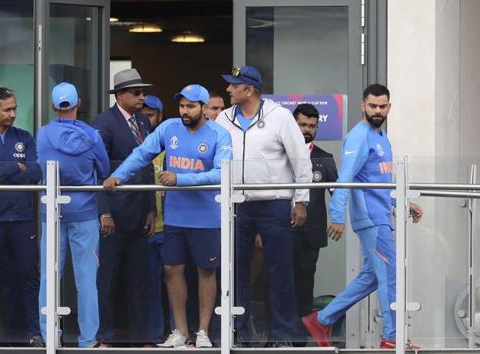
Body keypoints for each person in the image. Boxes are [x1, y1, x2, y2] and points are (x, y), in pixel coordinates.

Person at [104, 84, 232, 348]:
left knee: (206, 272)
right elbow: (141, 154)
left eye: (191, 106)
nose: (184, 111)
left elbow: (221, 174)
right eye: (182, 106)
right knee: (172, 270)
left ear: (205, 109)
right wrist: (119, 175)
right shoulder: (168, 128)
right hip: (175, 216)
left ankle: (204, 332)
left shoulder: (220, 134)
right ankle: (180, 331)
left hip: (207, 217)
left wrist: (179, 179)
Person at [301, 84, 424, 349]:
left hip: (381, 215)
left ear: (389, 107)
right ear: (362, 106)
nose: (377, 111)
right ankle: (391, 338)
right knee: (390, 275)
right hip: (371, 219)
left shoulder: (382, 137)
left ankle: (322, 319)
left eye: (382, 106)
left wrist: (402, 202)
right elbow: (345, 179)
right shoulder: (359, 136)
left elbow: (378, 181)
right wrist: (337, 216)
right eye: (372, 106)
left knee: (371, 276)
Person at [215, 66, 313, 347]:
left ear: (250, 90)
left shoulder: (279, 116)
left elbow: (300, 160)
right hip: (236, 204)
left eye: (235, 86)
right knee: (235, 271)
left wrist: (301, 200)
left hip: (274, 203)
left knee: (279, 271)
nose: (229, 90)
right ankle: (238, 333)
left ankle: (283, 336)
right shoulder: (223, 118)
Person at [37, 82, 109, 348]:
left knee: (49, 277)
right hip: (85, 211)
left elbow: (39, 165)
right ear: (79, 102)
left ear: (54, 106)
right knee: (87, 279)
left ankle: (49, 338)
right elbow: (103, 168)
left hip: (52, 212)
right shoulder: (92, 136)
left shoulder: (43, 134)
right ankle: (88, 340)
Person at [92, 68, 156, 346]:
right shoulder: (104, 123)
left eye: (143, 91)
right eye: (136, 92)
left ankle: (142, 336)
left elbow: (149, 166)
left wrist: (152, 207)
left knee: (139, 278)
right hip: (114, 215)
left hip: (140, 211)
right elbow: (98, 170)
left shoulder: (143, 121)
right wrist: (104, 211)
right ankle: (105, 335)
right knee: (107, 279)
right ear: (120, 95)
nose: (142, 97)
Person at [0, 87, 43, 346]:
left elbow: (35, 171)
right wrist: (16, 166)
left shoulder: (24, 137)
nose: (13, 113)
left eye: (14, 108)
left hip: (21, 217)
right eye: (7, 109)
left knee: (28, 276)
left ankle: (33, 332)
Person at [290, 103, 338, 345]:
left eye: (312, 126)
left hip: (311, 234)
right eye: (302, 124)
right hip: (281, 230)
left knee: (305, 284)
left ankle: (299, 340)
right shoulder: (279, 154)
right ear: (292, 124)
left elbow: (337, 192)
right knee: (275, 282)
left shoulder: (324, 158)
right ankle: (276, 336)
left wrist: (339, 219)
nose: (307, 129)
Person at [141, 95, 167, 344]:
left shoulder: (172, 144)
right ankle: (153, 336)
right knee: (149, 287)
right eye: (143, 113)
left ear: (160, 116)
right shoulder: (137, 146)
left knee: (176, 285)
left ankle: (178, 333)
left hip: (172, 228)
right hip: (147, 229)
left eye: (151, 114)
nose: (147, 118)